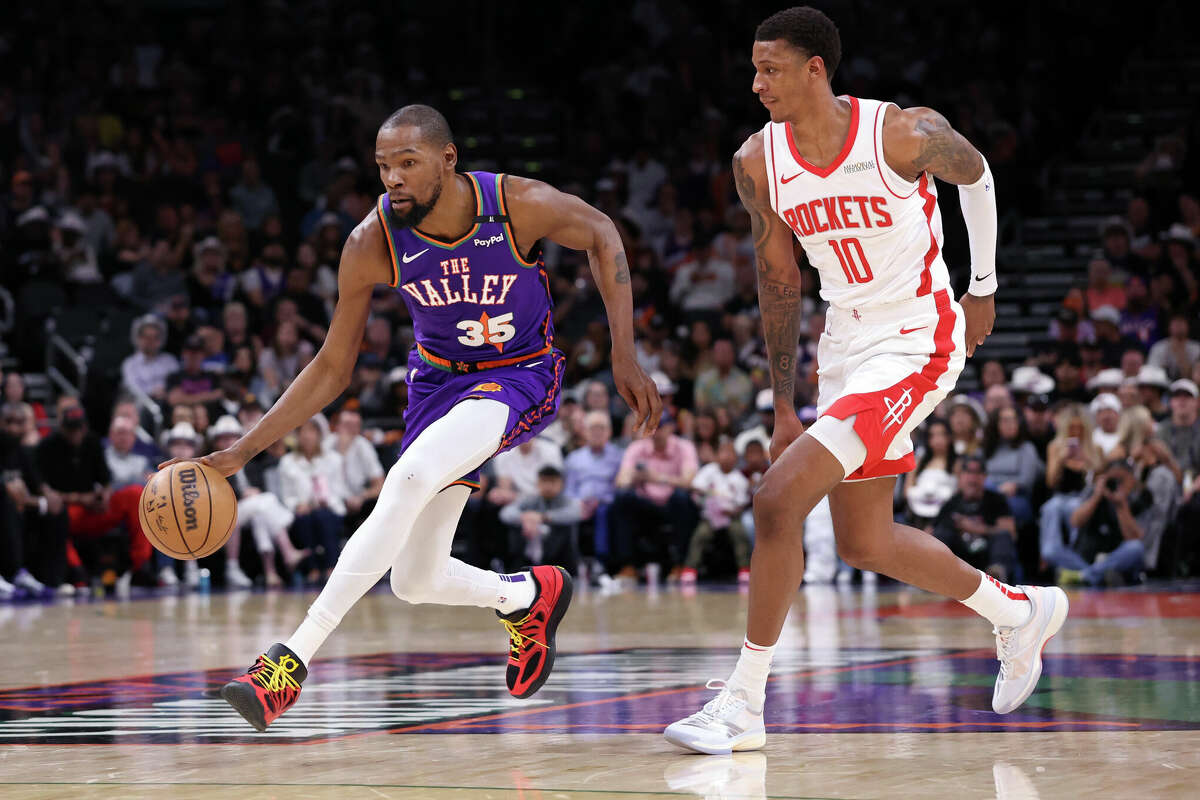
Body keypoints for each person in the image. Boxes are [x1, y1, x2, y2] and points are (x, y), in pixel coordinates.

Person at [163, 104, 659, 731]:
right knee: (415, 580)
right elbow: (332, 367)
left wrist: (623, 351)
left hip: (517, 374)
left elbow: (603, 234)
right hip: (436, 387)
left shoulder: (515, 206)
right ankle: (528, 596)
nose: (392, 178)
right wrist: (241, 451)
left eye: (407, 162)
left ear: (448, 160)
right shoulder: (370, 242)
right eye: (383, 166)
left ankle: (288, 662)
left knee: (410, 476)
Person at [666, 7, 1066, 756]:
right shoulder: (757, 162)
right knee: (864, 541)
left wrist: (982, 286)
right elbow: (779, 280)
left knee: (777, 499)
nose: (757, 85)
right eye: (754, 70)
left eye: (771, 69)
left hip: (917, 335)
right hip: (843, 342)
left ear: (815, 69)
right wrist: (784, 405)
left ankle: (744, 704)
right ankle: (1019, 613)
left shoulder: (901, 133)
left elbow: (977, 175)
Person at [210, 415, 308, 588]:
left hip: (253, 509)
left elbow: (267, 470)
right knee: (268, 500)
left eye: (232, 437)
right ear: (216, 442)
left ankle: (270, 572)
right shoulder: (213, 465)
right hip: (229, 511)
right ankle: (288, 551)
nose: (228, 442)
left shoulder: (250, 461)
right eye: (223, 438)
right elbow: (216, 495)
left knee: (260, 517)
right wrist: (242, 494)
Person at [610, 412, 699, 582]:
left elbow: (690, 481)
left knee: (682, 498)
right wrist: (633, 477)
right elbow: (621, 481)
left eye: (659, 426)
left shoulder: (684, 447)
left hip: (673, 506)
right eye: (651, 427)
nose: (655, 431)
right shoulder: (637, 448)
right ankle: (628, 566)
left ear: (671, 428)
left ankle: (680, 565)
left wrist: (657, 478)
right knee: (622, 498)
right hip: (646, 504)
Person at [278, 418, 350, 584]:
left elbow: (339, 489)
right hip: (302, 510)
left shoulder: (334, 459)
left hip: (329, 507)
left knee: (323, 517)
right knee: (305, 519)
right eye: (303, 431)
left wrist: (325, 500)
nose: (307, 436)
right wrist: (298, 504)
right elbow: (286, 495)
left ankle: (332, 566)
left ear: (319, 434)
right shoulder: (287, 462)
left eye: (311, 431)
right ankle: (312, 569)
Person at [681, 437, 753, 585]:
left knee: (739, 534)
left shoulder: (739, 478)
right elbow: (695, 487)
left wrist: (733, 512)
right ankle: (690, 568)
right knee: (700, 535)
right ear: (716, 455)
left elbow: (742, 502)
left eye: (730, 453)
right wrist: (708, 495)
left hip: (730, 518)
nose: (726, 456)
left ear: (736, 458)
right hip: (710, 517)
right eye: (723, 452)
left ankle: (744, 568)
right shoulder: (709, 471)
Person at [499, 465, 583, 574]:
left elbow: (576, 513)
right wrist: (525, 518)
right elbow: (505, 513)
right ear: (538, 483)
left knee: (567, 525)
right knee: (512, 526)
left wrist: (543, 517)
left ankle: (567, 573)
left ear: (561, 484)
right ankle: (511, 567)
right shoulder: (530, 499)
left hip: (557, 555)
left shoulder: (566, 501)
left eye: (552, 482)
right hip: (527, 550)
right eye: (544, 481)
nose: (548, 486)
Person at [120, 314, 179, 402]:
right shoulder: (130, 364)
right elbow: (133, 390)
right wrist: (152, 392)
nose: (151, 341)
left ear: (161, 339)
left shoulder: (170, 360)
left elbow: (178, 384)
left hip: (169, 402)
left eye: (155, 337)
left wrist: (166, 391)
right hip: (141, 404)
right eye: (146, 337)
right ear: (138, 338)